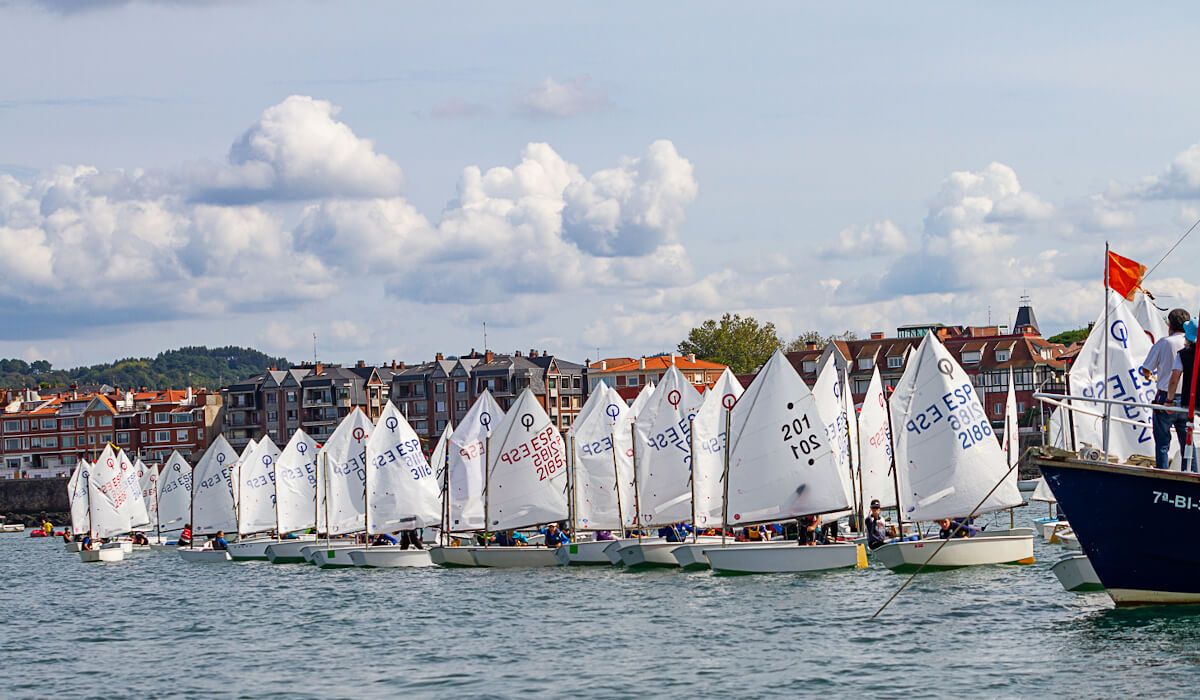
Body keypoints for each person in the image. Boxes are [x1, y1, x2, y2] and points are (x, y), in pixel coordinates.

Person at [1141, 308, 1191, 470]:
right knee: (1188, 443)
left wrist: (1149, 375)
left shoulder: (1164, 343)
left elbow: (1146, 368)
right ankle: (1191, 472)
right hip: (1188, 399)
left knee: (1162, 443)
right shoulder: (1193, 345)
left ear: (1170, 324)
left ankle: (1162, 472)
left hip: (1165, 397)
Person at [1168, 320, 1199, 472]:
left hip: (1190, 402)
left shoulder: (1183, 355)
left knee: (1186, 437)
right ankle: (1191, 469)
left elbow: (1174, 379)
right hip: (1190, 402)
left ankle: (1189, 470)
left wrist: (1169, 400)